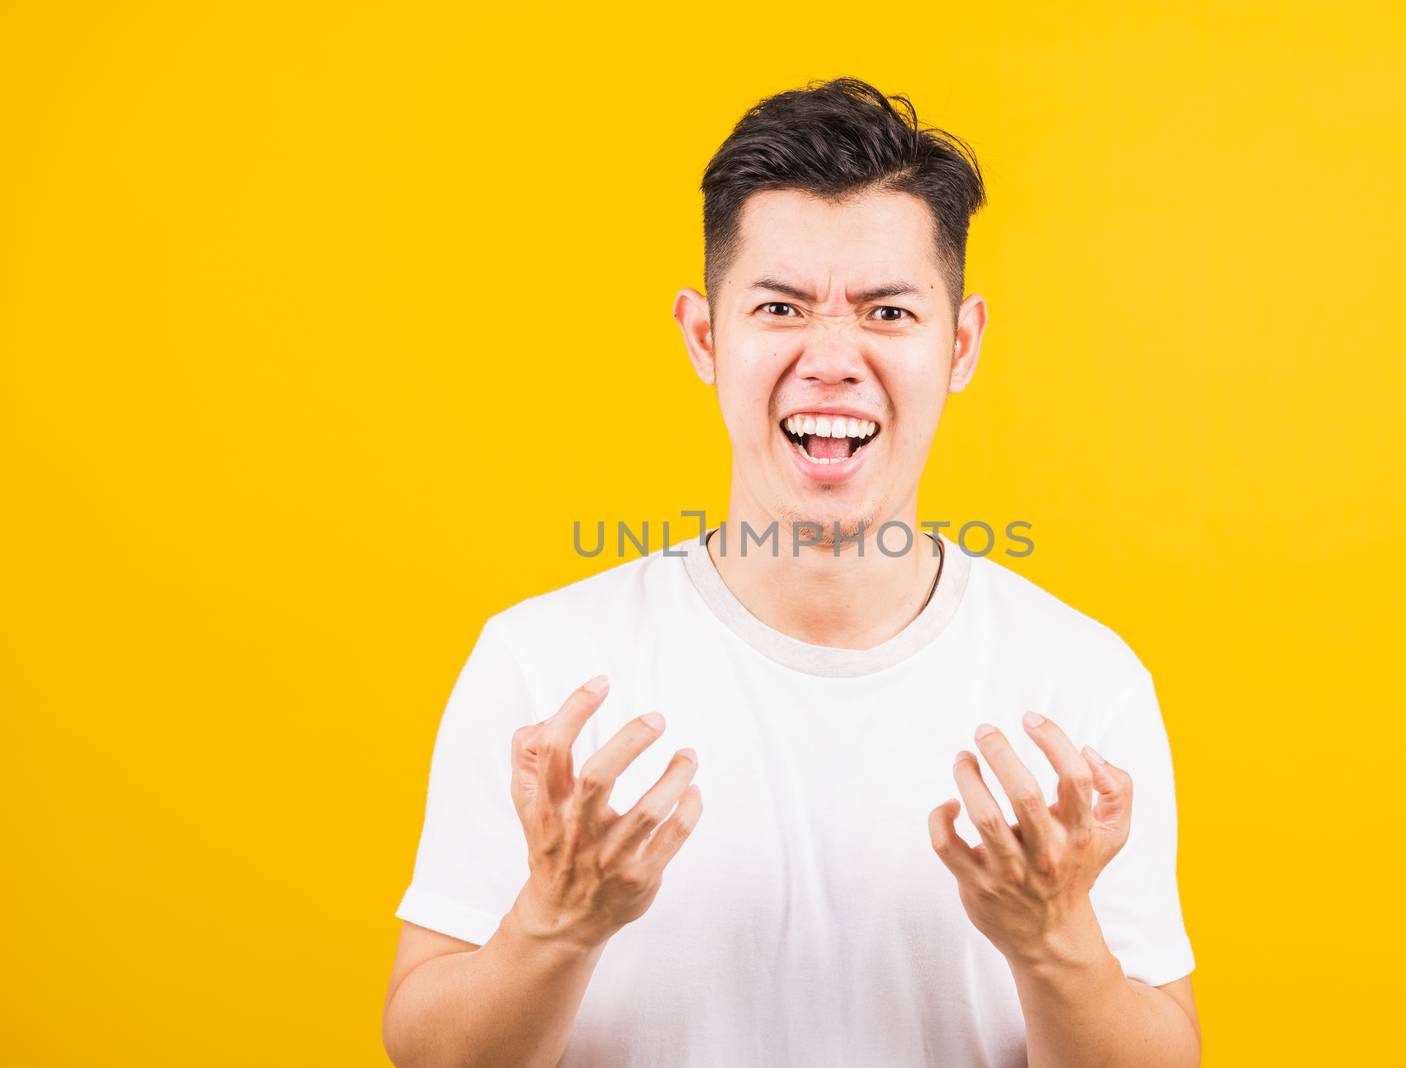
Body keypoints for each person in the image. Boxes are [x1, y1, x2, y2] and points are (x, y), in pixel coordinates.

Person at [381, 77, 1201, 1068]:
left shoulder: (1081, 689)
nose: (831, 357)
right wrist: (556, 922)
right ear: (703, 336)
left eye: (888, 313)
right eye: (780, 306)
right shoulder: (543, 675)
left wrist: (1056, 944)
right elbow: (427, 1054)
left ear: (962, 343)